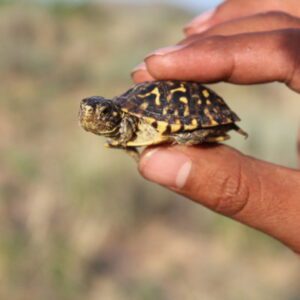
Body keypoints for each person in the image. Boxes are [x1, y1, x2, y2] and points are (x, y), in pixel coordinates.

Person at [131, 0, 300, 253]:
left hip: (195, 116)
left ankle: (219, 125)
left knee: (189, 137)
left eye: (100, 112)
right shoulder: (127, 122)